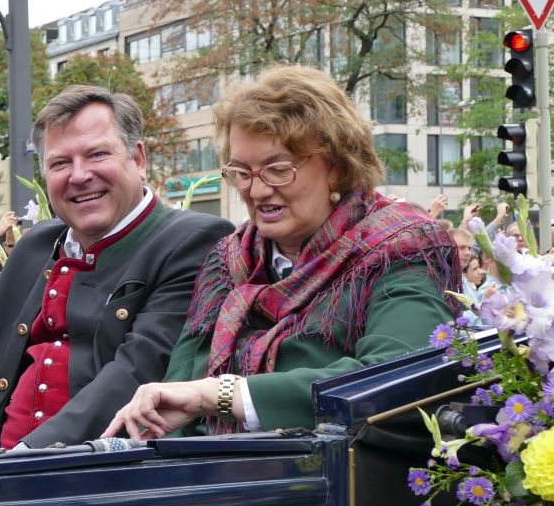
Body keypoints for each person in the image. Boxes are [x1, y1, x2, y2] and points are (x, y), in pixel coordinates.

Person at [104, 65, 459, 439]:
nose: (256, 191)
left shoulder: (403, 246)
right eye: (242, 172)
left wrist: (225, 394)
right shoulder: (226, 259)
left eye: (277, 169)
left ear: (336, 167)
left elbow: (397, 372)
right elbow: (179, 388)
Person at [0, 84, 234, 453]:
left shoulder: (194, 239)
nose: (79, 175)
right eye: (60, 163)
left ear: (138, 158)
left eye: (97, 154)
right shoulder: (40, 243)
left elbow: (138, 371)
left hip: (91, 479)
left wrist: (23, 458)